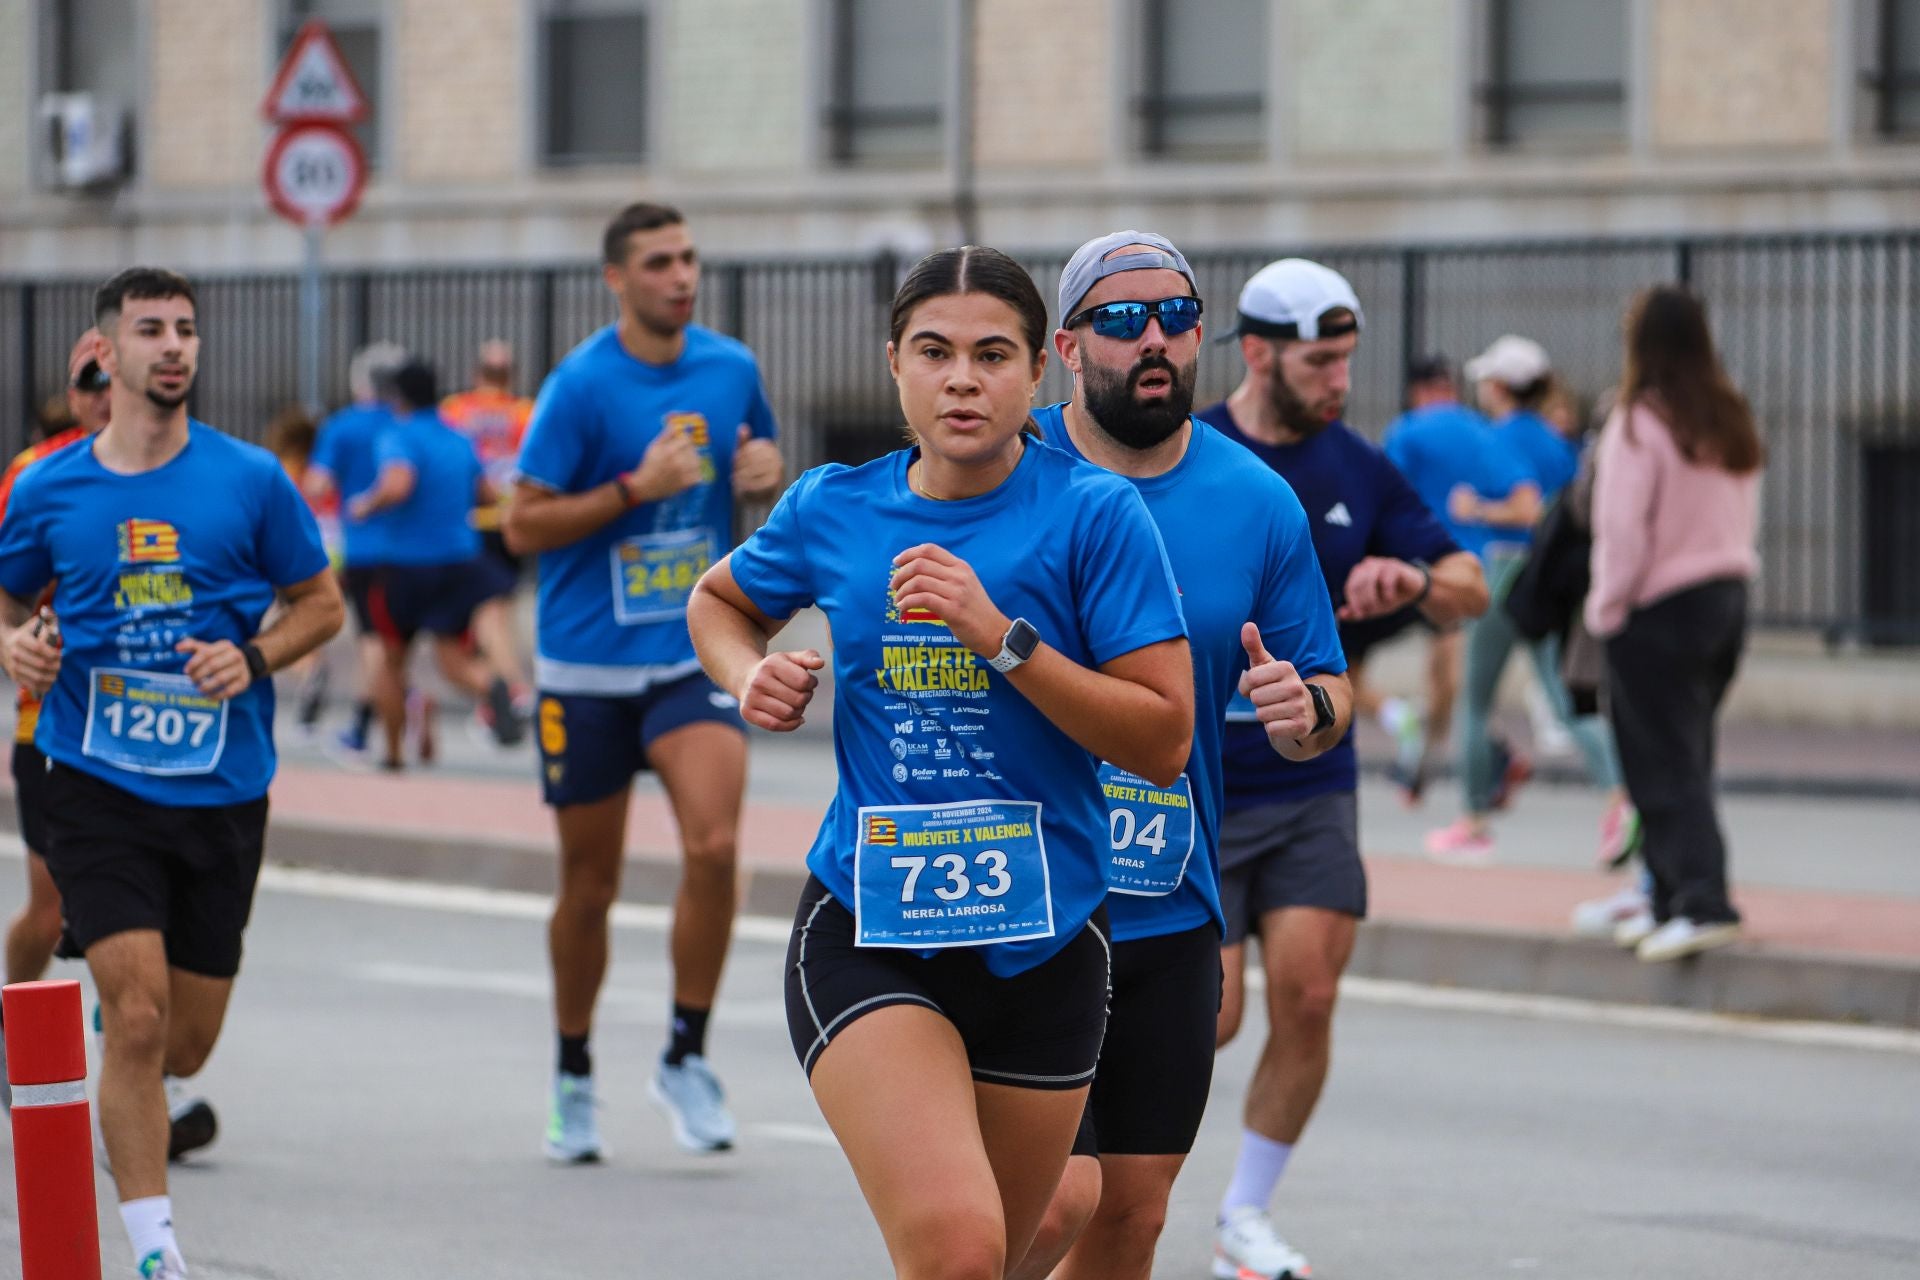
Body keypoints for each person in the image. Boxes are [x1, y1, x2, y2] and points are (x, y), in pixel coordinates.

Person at [687, 243, 1195, 1280]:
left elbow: (1162, 735)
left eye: (992, 354)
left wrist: (1000, 635)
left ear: (1037, 373)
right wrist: (747, 675)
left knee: (1015, 1245)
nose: (963, 378)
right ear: (896, 365)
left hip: (1046, 940)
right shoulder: (836, 506)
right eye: (936, 351)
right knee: (962, 1248)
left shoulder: (1094, 514)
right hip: (872, 927)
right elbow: (719, 600)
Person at [1008, 233, 1350, 1280]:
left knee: (1133, 1212)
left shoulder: (1255, 500)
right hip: (1026, 899)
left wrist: (1306, 710)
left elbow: (1328, 688)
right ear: (1068, 344)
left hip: (1169, 897)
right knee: (1044, 1201)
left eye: (1176, 315)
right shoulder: (1006, 474)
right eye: (1120, 318)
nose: (1153, 337)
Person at [0, 267, 343, 1280]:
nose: (174, 346)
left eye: (186, 328)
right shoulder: (51, 484)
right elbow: (9, 600)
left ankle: (135, 1066)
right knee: (138, 1012)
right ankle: (156, 1247)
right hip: (92, 777)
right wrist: (16, 646)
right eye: (151, 328)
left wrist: (255, 656)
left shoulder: (248, 479)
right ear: (106, 352)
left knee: (181, 1039)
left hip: (223, 787)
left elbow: (321, 603)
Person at [1196, 258, 1490, 1280]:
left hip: (1311, 778)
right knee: (1211, 1015)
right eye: (1320, 360)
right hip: (1191, 782)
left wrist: (1413, 575)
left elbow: (1470, 584)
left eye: (1347, 358)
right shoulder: (1192, 453)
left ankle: (1245, 1210)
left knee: (1310, 996)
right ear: (1260, 352)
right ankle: (1084, 1146)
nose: (1338, 379)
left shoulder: (1358, 467)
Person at [506, 202, 785, 1161]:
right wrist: (633, 488)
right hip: (584, 666)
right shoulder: (578, 388)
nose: (682, 275)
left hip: (689, 655)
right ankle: (573, 1072)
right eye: (660, 262)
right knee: (590, 887)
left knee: (713, 846)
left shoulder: (730, 367)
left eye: (690, 257)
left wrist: (763, 471)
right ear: (616, 280)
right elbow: (521, 526)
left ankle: (684, 1054)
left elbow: (757, 474)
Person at [1587, 285, 1763, 962]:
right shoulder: (1726, 413)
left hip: (1656, 607)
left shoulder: (1640, 420)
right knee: (1686, 753)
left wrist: (1606, 608)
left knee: (1658, 763)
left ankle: (1701, 900)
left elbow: (1622, 529)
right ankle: (1667, 896)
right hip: (1725, 598)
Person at [1426, 335, 1632, 865]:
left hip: (1502, 572)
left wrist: (1475, 507)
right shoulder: (1557, 442)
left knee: (1476, 699)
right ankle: (1621, 799)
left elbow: (1525, 508)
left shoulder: (1496, 439)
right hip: (1551, 580)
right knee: (1566, 699)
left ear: (1498, 387)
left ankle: (1473, 820)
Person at [0, 329, 111, 1113]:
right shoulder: (36, 478)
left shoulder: (194, 470)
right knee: (54, 908)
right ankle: (10, 1015)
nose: (108, 393)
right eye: (92, 380)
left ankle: (147, 1073)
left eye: (117, 376)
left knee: (139, 909)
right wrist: (18, 641)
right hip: (52, 729)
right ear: (73, 395)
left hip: (151, 736)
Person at [345, 360, 527, 767]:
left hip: (404, 568)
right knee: (452, 659)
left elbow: (397, 484)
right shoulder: (458, 437)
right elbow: (485, 492)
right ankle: (494, 687)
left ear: (399, 398)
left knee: (391, 662)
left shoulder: (398, 435)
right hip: (459, 562)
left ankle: (392, 754)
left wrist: (365, 504)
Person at [1381, 354, 1532, 802]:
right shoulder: (1482, 430)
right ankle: (1434, 764)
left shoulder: (1407, 431)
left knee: (1449, 678)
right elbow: (1524, 495)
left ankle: (1476, 759)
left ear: (1417, 391)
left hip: (1429, 567)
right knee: (1449, 672)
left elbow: (1385, 494)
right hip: (1481, 568)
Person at [304, 341, 410, 764]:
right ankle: (400, 708)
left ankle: (365, 724)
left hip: (362, 549)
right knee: (397, 641)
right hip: (413, 551)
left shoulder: (342, 426)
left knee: (371, 638)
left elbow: (316, 484)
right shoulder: (407, 423)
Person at [441, 338, 534, 581]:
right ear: (511, 375)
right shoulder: (525, 412)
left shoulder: (453, 409)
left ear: (477, 373)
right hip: (506, 517)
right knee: (502, 592)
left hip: (462, 519)